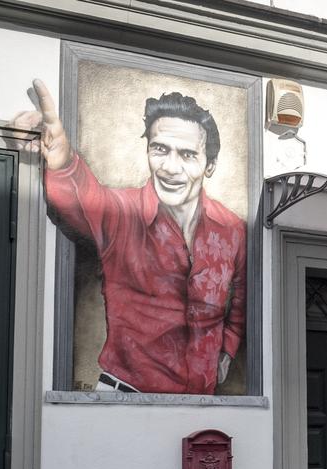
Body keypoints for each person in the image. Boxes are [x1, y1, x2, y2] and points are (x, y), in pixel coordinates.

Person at [13, 79, 247, 394]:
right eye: (160, 149)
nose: (170, 167)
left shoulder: (231, 229)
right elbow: (84, 198)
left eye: (188, 154)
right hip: (124, 399)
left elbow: (242, 295)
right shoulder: (123, 213)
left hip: (199, 405)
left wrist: (228, 347)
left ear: (210, 165)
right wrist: (63, 159)